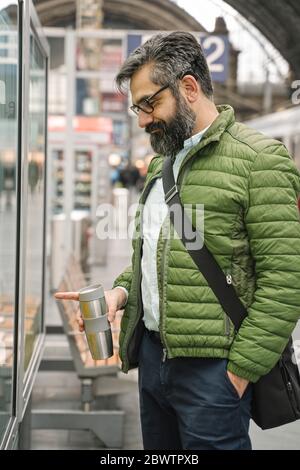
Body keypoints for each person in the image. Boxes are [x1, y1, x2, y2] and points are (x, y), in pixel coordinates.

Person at [55, 31, 300, 450]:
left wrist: (239, 371)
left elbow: (286, 282)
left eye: (150, 104)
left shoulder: (260, 161)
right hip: (154, 362)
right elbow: (152, 254)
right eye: (138, 108)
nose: (143, 120)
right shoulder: (161, 167)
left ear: (188, 87)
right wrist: (119, 292)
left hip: (213, 374)